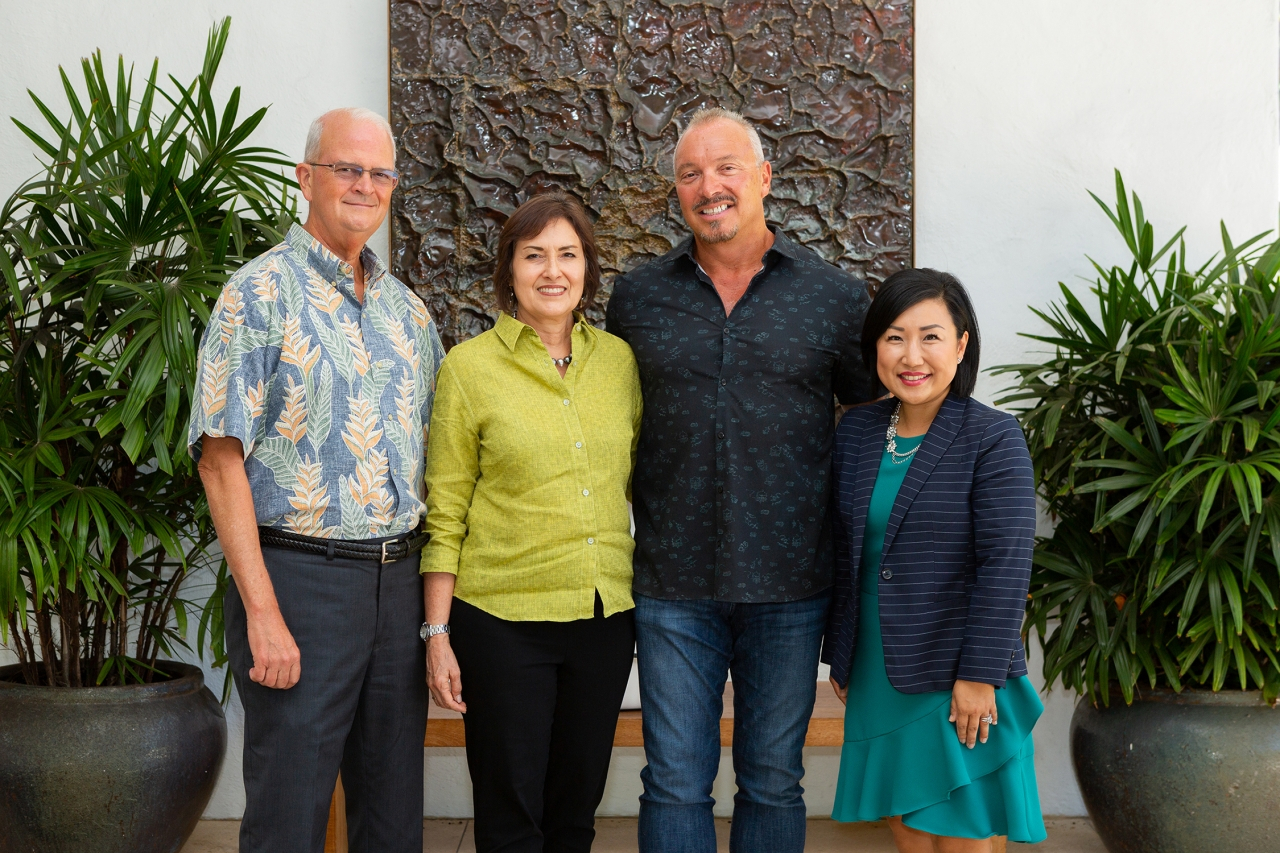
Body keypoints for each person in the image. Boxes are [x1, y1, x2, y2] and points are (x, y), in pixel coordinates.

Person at [605, 108, 872, 853]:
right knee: (674, 781)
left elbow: (879, 422)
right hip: (670, 580)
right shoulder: (638, 297)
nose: (708, 186)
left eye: (726, 168)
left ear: (763, 178)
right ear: (676, 192)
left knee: (772, 778)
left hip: (790, 582)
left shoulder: (835, 299)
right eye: (690, 173)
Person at [190, 107, 445, 853]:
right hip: (300, 581)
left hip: (397, 585)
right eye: (346, 168)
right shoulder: (257, 293)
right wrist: (262, 609)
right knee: (290, 814)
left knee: (394, 816)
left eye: (379, 172)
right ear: (306, 177)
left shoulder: (408, 312)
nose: (364, 185)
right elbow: (218, 458)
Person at [420, 191, 642, 853]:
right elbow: (446, 510)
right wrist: (437, 632)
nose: (553, 270)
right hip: (500, 621)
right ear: (509, 271)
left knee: (575, 808)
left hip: (602, 618)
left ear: (587, 269)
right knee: (511, 812)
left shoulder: (620, 364)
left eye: (568, 254)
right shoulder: (469, 369)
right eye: (534, 255)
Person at [822, 268, 1047, 851]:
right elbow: (847, 552)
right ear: (876, 346)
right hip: (876, 663)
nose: (911, 355)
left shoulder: (992, 436)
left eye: (930, 336)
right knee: (905, 824)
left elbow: (1006, 563)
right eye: (894, 337)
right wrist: (842, 654)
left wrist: (979, 676)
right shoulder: (858, 432)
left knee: (961, 827)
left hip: (956, 665)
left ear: (961, 344)